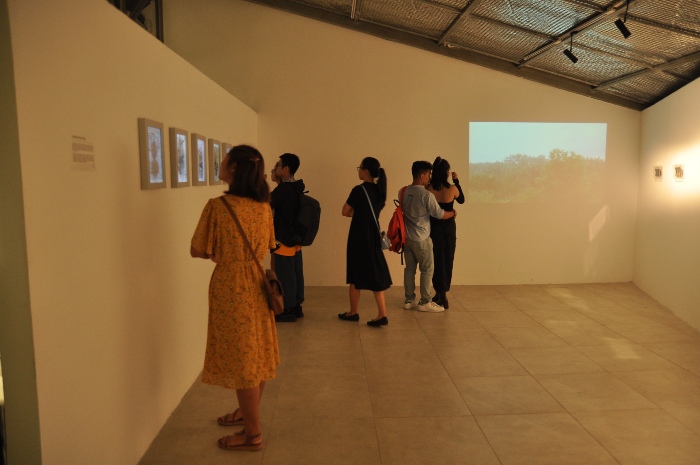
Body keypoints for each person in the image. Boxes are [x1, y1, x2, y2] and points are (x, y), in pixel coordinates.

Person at [190, 145, 278, 452]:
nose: (221, 163)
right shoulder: (263, 206)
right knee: (257, 353)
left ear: (235, 168)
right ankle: (246, 412)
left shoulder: (218, 206)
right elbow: (269, 244)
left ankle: (252, 434)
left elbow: (197, 249)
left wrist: (222, 254)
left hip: (230, 287)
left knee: (243, 362)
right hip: (256, 283)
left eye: (224, 160)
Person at [339, 157, 393, 326]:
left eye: (360, 168)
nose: (359, 171)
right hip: (373, 236)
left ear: (366, 171)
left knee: (355, 273)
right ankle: (382, 314)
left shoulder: (358, 190)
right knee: (375, 273)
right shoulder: (379, 191)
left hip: (358, 235)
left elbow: (345, 211)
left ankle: (353, 312)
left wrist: (357, 213)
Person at [401, 161, 456, 313]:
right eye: (428, 174)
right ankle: (425, 301)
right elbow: (439, 214)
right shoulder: (426, 195)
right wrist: (452, 213)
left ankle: (409, 300)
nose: (430, 177)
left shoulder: (403, 191)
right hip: (422, 238)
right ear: (422, 176)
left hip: (407, 238)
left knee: (409, 269)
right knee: (427, 270)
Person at [270, 153, 305, 322]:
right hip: (295, 239)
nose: (275, 168)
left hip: (283, 239)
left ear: (286, 169)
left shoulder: (283, 190)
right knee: (296, 272)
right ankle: (296, 306)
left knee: (285, 274)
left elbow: (267, 203)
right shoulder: (296, 186)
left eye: (278, 166)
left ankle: (287, 309)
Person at [426, 157, 465, 309]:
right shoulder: (452, 189)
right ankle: (443, 293)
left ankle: (439, 292)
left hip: (433, 228)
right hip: (448, 228)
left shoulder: (428, 189)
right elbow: (461, 200)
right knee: (447, 259)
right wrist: (457, 181)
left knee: (435, 260)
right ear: (447, 172)